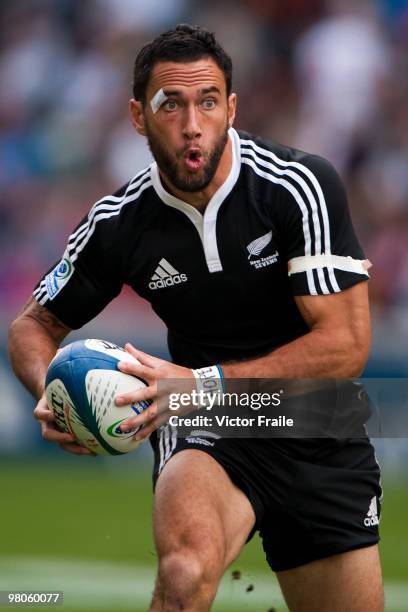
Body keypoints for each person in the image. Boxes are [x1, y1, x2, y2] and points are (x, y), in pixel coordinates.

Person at [9, 24, 383, 612]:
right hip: (204, 425)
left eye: (208, 102)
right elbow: (32, 326)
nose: (192, 124)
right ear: (137, 116)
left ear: (231, 107)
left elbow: (346, 345)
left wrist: (205, 383)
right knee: (184, 574)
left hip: (313, 416)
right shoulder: (119, 222)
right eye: (171, 104)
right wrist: (49, 392)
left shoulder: (299, 186)